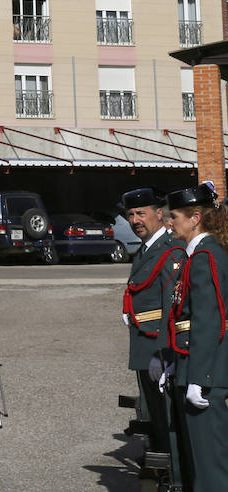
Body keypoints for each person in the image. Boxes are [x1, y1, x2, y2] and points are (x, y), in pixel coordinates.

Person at [163, 182, 228, 484]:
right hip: (197, 367)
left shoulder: (205, 257)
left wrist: (199, 378)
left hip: (207, 376)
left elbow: (208, 321)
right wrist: (178, 362)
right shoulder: (197, 255)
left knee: (210, 467)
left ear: (195, 218)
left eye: (174, 215)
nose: (169, 222)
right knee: (200, 464)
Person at [121, 187, 182, 465]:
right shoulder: (147, 249)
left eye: (141, 213)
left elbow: (172, 306)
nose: (135, 220)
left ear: (159, 214)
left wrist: (164, 353)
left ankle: (174, 468)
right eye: (130, 214)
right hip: (146, 344)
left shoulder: (169, 250)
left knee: (168, 418)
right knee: (155, 415)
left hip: (160, 346)